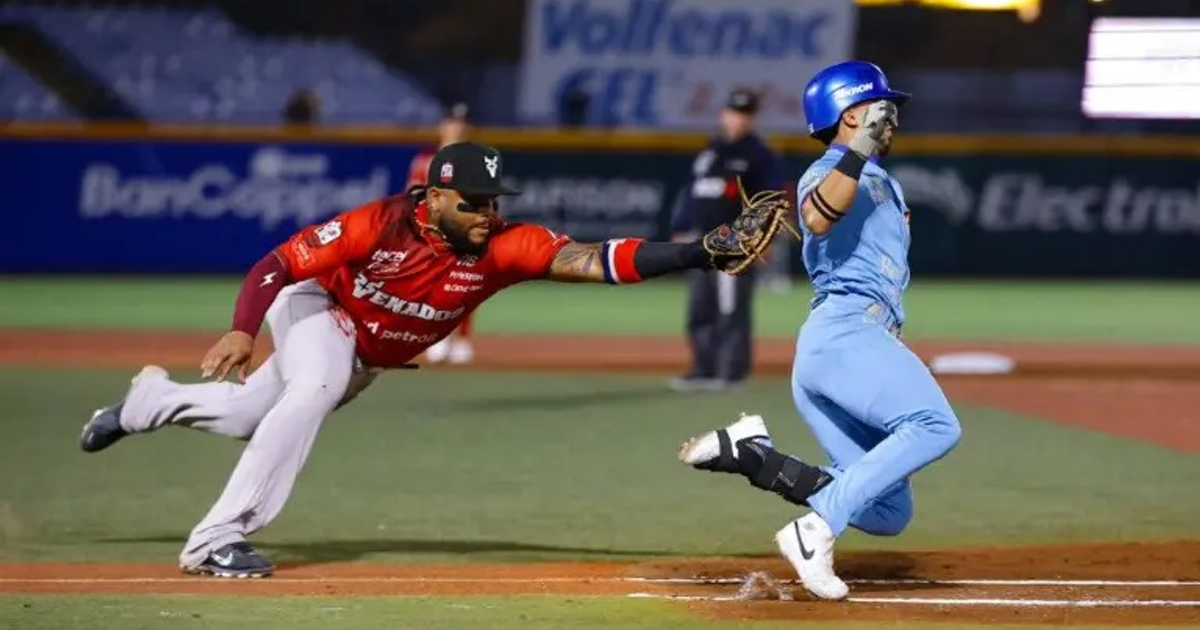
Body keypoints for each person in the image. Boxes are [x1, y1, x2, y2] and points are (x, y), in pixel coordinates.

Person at [78, 141, 788, 579]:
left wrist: (698, 251)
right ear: (436, 195)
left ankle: (147, 402)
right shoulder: (378, 223)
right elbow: (276, 262)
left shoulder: (504, 246)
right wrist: (241, 330)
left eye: (494, 199)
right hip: (313, 309)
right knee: (313, 385)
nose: (488, 211)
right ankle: (214, 542)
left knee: (244, 417)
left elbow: (601, 258)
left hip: (368, 352)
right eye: (474, 201)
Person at [676, 61, 962, 600]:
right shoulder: (831, 169)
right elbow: (816, 216)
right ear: (852, 114)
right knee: (933, 424)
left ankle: (755, 455)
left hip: (839, 347)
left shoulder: (871, 175)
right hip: (846, 332)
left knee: (888, 511)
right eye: (882, 108)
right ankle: (816, 528)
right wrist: (856, 148)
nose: (892, 118)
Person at [670, 88, 784, 393]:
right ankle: (702, 368)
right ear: (724, 114)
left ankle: (731, 372)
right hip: (701, 240)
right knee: (700, 307)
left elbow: (771, 199)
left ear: (752, 118)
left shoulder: (759, 154)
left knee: (731, 308)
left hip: (737, 241)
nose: (738, 119)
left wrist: (765, 237)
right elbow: (693, 192)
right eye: (734, 112)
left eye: (745, 114)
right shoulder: (711, 152)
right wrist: (682, 225)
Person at [407, 102, 476, 364]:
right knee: (432, 285)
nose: (457, 127)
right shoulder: (425, 159)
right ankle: (438, 337)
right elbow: (412, 192)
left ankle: (463, 339)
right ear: (443, 126)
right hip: (432, 228)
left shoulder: (476, 159)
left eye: (463, 122)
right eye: (453, 121)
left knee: (467, 283)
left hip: (463, 227)